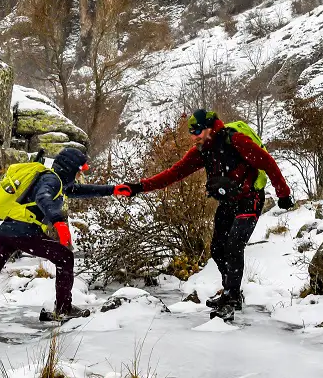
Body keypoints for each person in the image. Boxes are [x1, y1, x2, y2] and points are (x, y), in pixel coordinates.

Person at [113, 109, 294, 321]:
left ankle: (231, 298)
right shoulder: (201, 151)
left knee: (234, 245)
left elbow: (268, 163)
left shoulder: (236, 140)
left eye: (198, 130)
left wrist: (283, 194)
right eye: (192, 132)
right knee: (217, 249)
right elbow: (174, 173)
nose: (194, 136)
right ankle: (230, 291)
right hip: (228, 203)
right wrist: (138, 187)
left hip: (250, 199)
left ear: (211, 127)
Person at [0, 147, 113, 325]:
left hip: (8, 230)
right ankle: (63, 309)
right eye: (79, 171)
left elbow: (83, 190)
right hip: (25, 232)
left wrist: (118, 189)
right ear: (71, 168)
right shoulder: (52, 181)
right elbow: (43, 197)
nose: (81, 175)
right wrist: (59, 222)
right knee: (65, 257)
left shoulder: (55, 181)